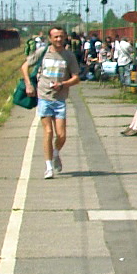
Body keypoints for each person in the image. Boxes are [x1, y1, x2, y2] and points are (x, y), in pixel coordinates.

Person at [22, 26, 81, 179]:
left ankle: (55, 153)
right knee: (48, 132)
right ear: (50, 38)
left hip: (60, 99)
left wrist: (63, 84)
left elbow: (76, 78)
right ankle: (48, 167)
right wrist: (28, 84)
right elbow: (25, 66)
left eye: (61, 36)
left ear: (65, 37)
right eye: (55, 37)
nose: (58, 39)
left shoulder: (69, 56)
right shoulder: (43, 52)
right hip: (44, 97)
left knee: (61, 135)